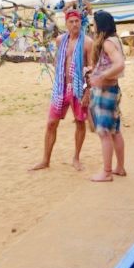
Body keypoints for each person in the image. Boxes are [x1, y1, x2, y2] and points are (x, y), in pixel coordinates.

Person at [30, 9, 94, 172]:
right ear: (66, 24)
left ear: (81, 22)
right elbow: (58, 60)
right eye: (71, 22)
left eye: (77, 21)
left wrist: (87, 92)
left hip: (79, 88)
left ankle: (76, 158)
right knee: (51, 123)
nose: (74, 24)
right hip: (61, 87)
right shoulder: (60, 40)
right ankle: (45, 160)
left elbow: (90, 68)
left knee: (80, 123)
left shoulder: (87, 42)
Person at [86, 10, 126, 182]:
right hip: (113, 89)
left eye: (94, 23)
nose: (92, 26)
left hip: (106, 92)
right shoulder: (115, 39)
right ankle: (120, 167)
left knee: (104, 132)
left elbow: (120, 64)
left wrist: (101, 76)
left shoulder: (108, 43)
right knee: (115, 131)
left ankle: (107, 172)